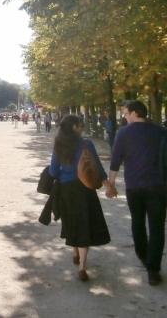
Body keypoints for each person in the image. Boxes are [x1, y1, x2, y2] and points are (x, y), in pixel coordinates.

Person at [108, 100, 167, 286]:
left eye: (126, 113)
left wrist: (111, 185)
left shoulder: (123, 133)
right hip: (157, 186)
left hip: (134, 187)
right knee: (157, 227)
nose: (125, 116)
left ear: (135, 112)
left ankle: (143, 256)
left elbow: (115, 161)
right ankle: (153, 269)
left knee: (137, 222)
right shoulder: (160, 131)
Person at [49, 115, 114, 282]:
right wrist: (109, 186)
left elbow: (53, 172)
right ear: (74, 127)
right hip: (85, 188)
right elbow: (98, 168)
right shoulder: (86, 144)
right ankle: (82, 267)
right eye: (80, 125)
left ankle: (75, 252)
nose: (82, 128)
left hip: (66, 189)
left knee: (72, 221)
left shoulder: (59, 144)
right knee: (84, 223)